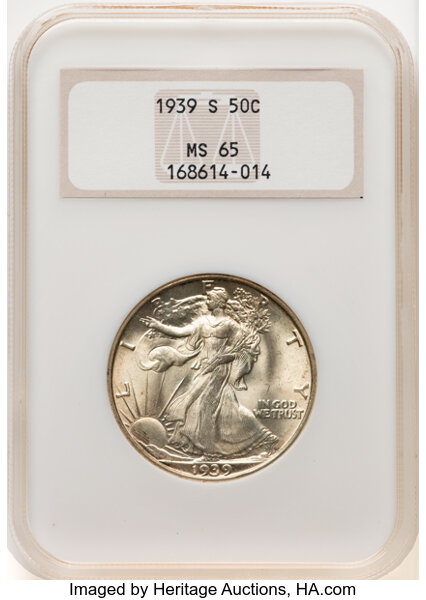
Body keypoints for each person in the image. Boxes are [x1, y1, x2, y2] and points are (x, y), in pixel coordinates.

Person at [141, 287, 278, 458]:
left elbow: (242, 350)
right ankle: (212, 444)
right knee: (205, 405)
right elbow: (181, 332)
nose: (207, 302)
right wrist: (159, 326)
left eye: (210, 299)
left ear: (219, 302)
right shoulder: (202, 322)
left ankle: (209, 448)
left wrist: (223, 359)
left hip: (219, 369)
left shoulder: (231, 325)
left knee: (205, 405)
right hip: (203, 367)